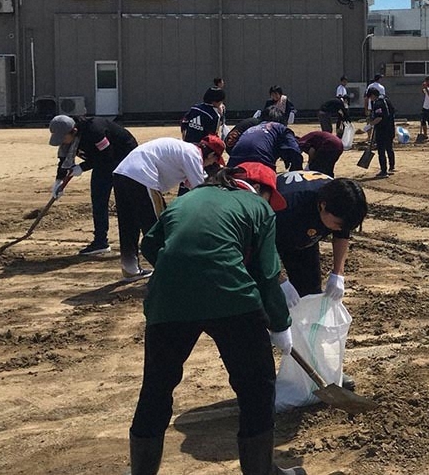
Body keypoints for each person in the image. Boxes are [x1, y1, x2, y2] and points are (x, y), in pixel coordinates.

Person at [128, 163, 305, 475]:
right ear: (258, 189)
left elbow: (150, 244)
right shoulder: (258, 207)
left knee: (157, 387)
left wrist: (184, 271)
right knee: (256, 388)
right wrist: (280, 325)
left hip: (168, 300)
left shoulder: (185, 199)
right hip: (232, 298)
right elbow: (267, 274)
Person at [112, 135, 226, 282]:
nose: (211, 164)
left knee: (129, 224)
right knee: (158, 227)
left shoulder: (185, 150)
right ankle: (167, 271)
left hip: (122, 173)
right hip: (142, 175)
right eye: (214, 161)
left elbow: (194, 181)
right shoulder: (192, 155)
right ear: (211, 155)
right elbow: (200, 190)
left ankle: (130, 268)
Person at [48, 114, 139, 256]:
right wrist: (59, 181)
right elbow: (64, 160)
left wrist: (82, 167)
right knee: (98, 198)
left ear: (74, 131)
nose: (62, 142)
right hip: (101, 161)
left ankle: (135, 242)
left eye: (63, 138)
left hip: (124, 156)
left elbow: (107, 156)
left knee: (126, 201)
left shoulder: (94, 131)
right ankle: (100, 242)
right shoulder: (68, 139)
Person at [274, 171, 367, 301]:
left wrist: (338, 273)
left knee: (309, 291)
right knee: (268, 296)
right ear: (323, 206)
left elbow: (342, 234)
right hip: (267, 236)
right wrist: (279, 280)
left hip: (304, 239)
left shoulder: (343, 202)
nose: (339, 229)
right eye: (337, 224)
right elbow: (258, 246)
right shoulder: (287, 206)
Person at [227, 119, 304, 172]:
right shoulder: (281, 128)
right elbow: (295, 149)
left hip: (235, 155)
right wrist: (297, 170)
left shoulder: (254, 127)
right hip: (260, 155)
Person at [363, 86, 396, 178]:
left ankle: (384, 171)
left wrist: (369, 125)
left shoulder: (378, 103)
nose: (370, 99)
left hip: (382, 129)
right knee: (389, 147)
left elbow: (379, 118)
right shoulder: (386, 100)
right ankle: (392, 166)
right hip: (390, 128)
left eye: (370, 97)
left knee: (381, 150)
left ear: (373, 95)